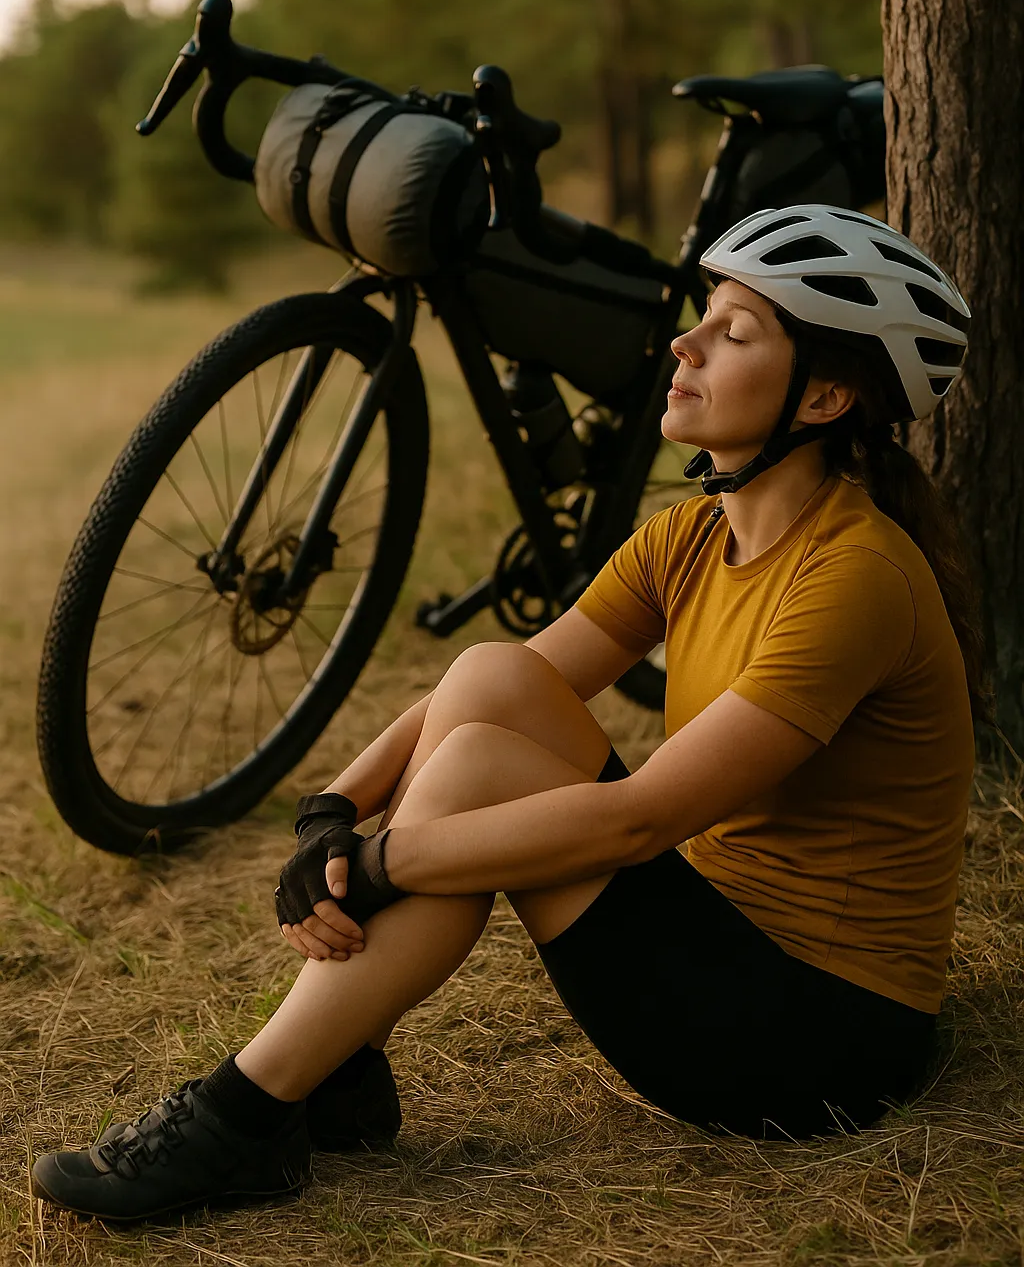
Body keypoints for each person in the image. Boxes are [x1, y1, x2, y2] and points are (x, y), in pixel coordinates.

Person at [32, 204, 987, 1222]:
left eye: (735, 333)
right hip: (718, 941)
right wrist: (330, 812)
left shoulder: (854, 578)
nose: (685, 342)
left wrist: (389, 859)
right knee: (491, 683)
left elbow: (642, 821)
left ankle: (239, 1116)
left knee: (480, 768)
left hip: (813, 1037)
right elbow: (490, 684)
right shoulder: (691, 537)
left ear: (826, 394)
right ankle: (332, 1073)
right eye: (703, 316)